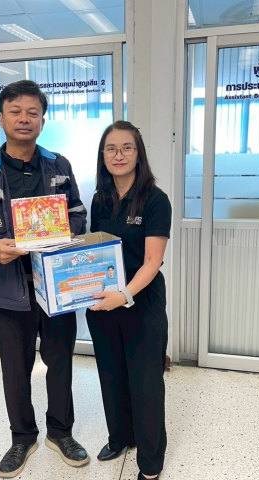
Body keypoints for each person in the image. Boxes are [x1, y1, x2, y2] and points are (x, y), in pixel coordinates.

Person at [0, 80, 89, 478]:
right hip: (7, 291)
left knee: (60, 363)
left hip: (56, 288)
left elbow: (78, 213)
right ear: (2, 118)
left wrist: (65, 231)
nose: (24, 119)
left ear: (42, 120)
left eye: (33, 112)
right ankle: (22, 438)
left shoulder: (59, 166)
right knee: (15, 368)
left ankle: (61, 433)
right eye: (16, 112)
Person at [86, 120, 171, 480]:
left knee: (145, 382)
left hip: (141, 302)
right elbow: (94, 251)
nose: (118, 155)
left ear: (139, 154)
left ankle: (150, 464)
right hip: (104, 303)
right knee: (111, 373)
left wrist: (124, 295)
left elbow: (152, 262)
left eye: (127, 148)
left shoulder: (155, 200)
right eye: (111, 148)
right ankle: (120, 436)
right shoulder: (100, 199)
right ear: (103, 156)